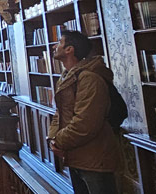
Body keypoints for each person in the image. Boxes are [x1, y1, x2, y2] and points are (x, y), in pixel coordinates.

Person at [48, 31, 119, 194]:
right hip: (75, 155)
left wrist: (58, 141)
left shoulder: (89, 78)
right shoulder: (66, 77)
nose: (54, 46)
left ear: (69, 49)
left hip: (94, 158)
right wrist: (52, 138)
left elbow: (85, 123)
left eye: (59, 42)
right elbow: (60, 113)